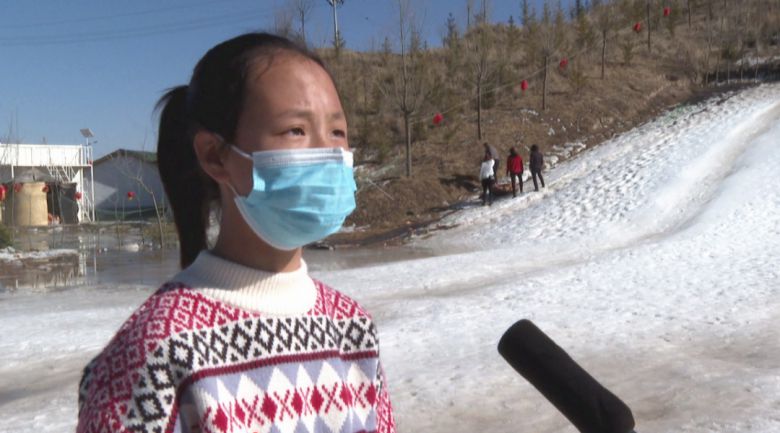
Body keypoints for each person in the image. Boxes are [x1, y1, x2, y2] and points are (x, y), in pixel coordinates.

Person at [76, 33, 396, 433]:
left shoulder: (353, 327)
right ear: (215, 156)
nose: (329, 154)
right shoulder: (152, 353)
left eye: (337, 132)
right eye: (296, 130)